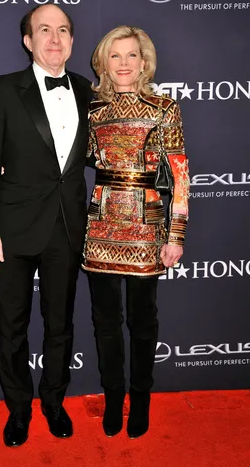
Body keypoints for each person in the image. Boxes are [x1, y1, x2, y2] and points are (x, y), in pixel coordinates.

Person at [0, 4, 92, 446]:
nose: (55, 38)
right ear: (28, 40)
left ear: (73, 41)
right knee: (13, 327)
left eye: (63, 30)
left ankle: (55, 402)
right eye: (44, 29)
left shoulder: (86, 89)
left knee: (60, 325)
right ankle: (19, 410)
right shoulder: (2, 90)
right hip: (13, 229)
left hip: (66, 226)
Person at [83, 26, 189, 438]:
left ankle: (140, 400)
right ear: (104, 63)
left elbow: (179, 174)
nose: (124, 63)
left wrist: (175, 234)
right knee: (105, 322)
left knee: (143, 322)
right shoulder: (93, 111)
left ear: (144, 62)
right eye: (115, 55)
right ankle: (113, 399)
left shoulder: (165, 107)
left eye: (132, 55)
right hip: (101, 224)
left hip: (148, 228)